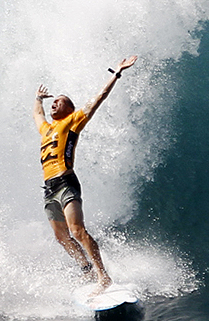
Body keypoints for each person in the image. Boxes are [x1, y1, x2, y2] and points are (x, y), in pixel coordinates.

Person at [33, 55, 137, 289]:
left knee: (77, 231)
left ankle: (103, 276)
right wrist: (38, 98)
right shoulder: (46, 129)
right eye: (53, 102)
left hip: (66, 183)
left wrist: (116, 73)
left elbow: (98, 99)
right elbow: (37, 114)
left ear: (69, 108)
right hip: (49, 190)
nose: (54, 104)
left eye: (59, 101)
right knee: (62, 238)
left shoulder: (73, 121)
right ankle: (87, 270)